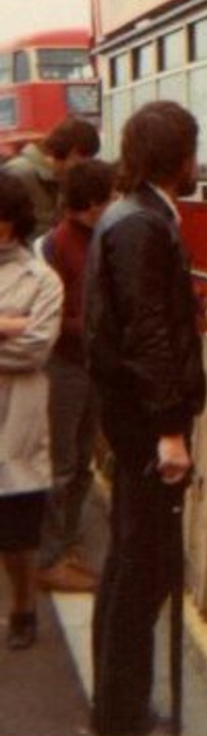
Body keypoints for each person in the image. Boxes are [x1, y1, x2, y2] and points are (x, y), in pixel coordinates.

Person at [84, 102, 207, 736]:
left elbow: (153, 307)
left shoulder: (131, 215)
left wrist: (195, 311)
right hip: (143, 421)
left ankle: (116, 711)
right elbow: (146, 331)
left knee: (131, 564)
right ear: (179, 157)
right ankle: (122, 725)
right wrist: (169, 428)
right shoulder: (142, 224)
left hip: (132, 414)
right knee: (144, 572)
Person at [36, 158, 117, 593]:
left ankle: (66, 545)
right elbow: (51, 317)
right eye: (108, 198)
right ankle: (49, 559)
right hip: (65, 366)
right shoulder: (56, 245)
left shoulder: (100, 237)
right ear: (88, 204)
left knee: (82, 461)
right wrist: (94, 327)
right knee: (62, 465)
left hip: (91, 365)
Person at [0, 172, 64, 650]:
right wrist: (6, 326)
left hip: (16, 414)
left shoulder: (42, 279)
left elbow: (36, 349)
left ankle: (24, 605)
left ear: (12, 223)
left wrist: (19, 333)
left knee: (18, 531)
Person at [3, 117, 101, 239]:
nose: (85, 167)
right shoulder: (18, 173)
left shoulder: (60, 179)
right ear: (74, 152)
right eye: (84, 159)